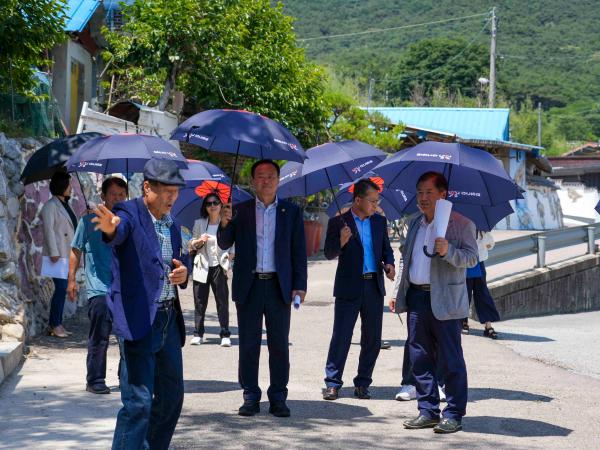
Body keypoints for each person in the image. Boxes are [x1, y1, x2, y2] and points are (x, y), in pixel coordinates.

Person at [92, 159, 189, 450]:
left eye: (176, 192)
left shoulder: (173, 225)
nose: (172, 198)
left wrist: (183, 273)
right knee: (139, 402)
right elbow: (117, 232)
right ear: (147, 188)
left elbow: (177, 264)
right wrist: (110, 229)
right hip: (138, 321)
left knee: (172, 397)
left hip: (168, 320)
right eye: (166, 191)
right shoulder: (128, 211)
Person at [218, 159, 307, 418]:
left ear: (278, 180)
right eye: (260, 176)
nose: (265, 180)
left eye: (270, 176)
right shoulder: (240, 210)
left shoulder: (291, 212)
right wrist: (223, 223)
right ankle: (250, 396)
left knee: (279, 344)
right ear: (253, 181)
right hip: (250, 286)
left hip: (279, 286)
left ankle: (278, 396)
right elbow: (224, 243)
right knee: (248, 344)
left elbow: (298, 252)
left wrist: (299, 285)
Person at [390, 171, 477, 434]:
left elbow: (472, 258)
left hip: (446, 301)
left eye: (429, 192)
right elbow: (406, 258)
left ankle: (453, 413)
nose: (423, 198)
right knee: (419, 357)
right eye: (419, 192)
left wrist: (448, 250)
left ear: (443, 194)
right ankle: (427, 410)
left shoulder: (461, 224)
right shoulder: (415, 223)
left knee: (451, 359)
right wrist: (396, 291)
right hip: (416, 296)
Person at [322, 178, 395, 401]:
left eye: (377, 200)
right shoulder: (339, 223)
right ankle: (333, 383)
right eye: (372, 201)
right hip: (348, 286)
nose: (376, 205)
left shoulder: (379, 222)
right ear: (358, 200)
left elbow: (386, 250)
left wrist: (389, 264)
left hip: (373, 285)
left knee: (372, 339)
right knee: (341, 336)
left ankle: (363, 383)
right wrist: (341, 242)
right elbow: (328, 253)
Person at [67, 177, 127, 394]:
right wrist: (71, 280)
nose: (118, 198)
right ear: (103, 196)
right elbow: (76, 249)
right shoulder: (88, 221)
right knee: (99, 337)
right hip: (99, 288)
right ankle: (95, 380)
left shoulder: (128, 222)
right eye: (113, 194)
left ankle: (126, 378)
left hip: (124, 289)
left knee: (127, 337)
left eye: (122, 195)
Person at [189, 193, 234, 347]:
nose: (212, 206)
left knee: (222, 301)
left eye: (215, 202)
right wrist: (199, 241)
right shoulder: (199, 223)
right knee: (199, 301)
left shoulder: (226, 223)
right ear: (205, 207)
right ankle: (198, 333)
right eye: (209, 204)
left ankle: (225, 333)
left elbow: (233, 244)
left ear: (221, 205)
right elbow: (191, 245)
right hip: (202, 265)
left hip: (219, 267)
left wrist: (229, 258)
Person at [41, 171, 78, 338]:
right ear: (61, 186)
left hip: (66, 252)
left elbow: (70, 225)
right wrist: (54, 253)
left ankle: (56, 324)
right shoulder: (50, 206)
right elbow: (48, 230)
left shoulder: (65, 204)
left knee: (62, 289)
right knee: (61, 288)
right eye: (69, 185)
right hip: (57, 254)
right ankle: (55, 324)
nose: (71, 188)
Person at [463, 231, 501, 338]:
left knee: (482, 294)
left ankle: (488, 325)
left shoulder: (482, 231)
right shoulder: (464, 227)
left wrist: (485, 242)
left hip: (479, 264)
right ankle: (463, 322)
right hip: (466, 263)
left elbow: (491, 244)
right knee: (465, 293)